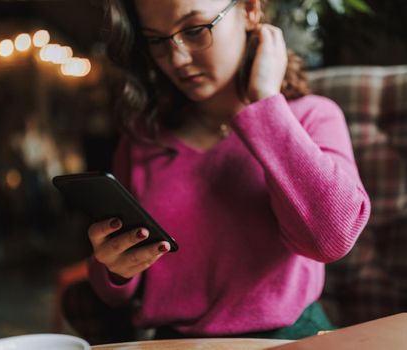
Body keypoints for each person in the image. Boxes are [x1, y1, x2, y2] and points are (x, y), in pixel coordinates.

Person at [82, 0, 371, 342]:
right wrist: (114, 269)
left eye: (194, 30)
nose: (177, 59)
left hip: (287, 339)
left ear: (250, 10)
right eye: (158, 41)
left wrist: (265, 103)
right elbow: (115, 291)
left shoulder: (312, 117)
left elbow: (331, 240)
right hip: (172, 344)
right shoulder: (142, 144)